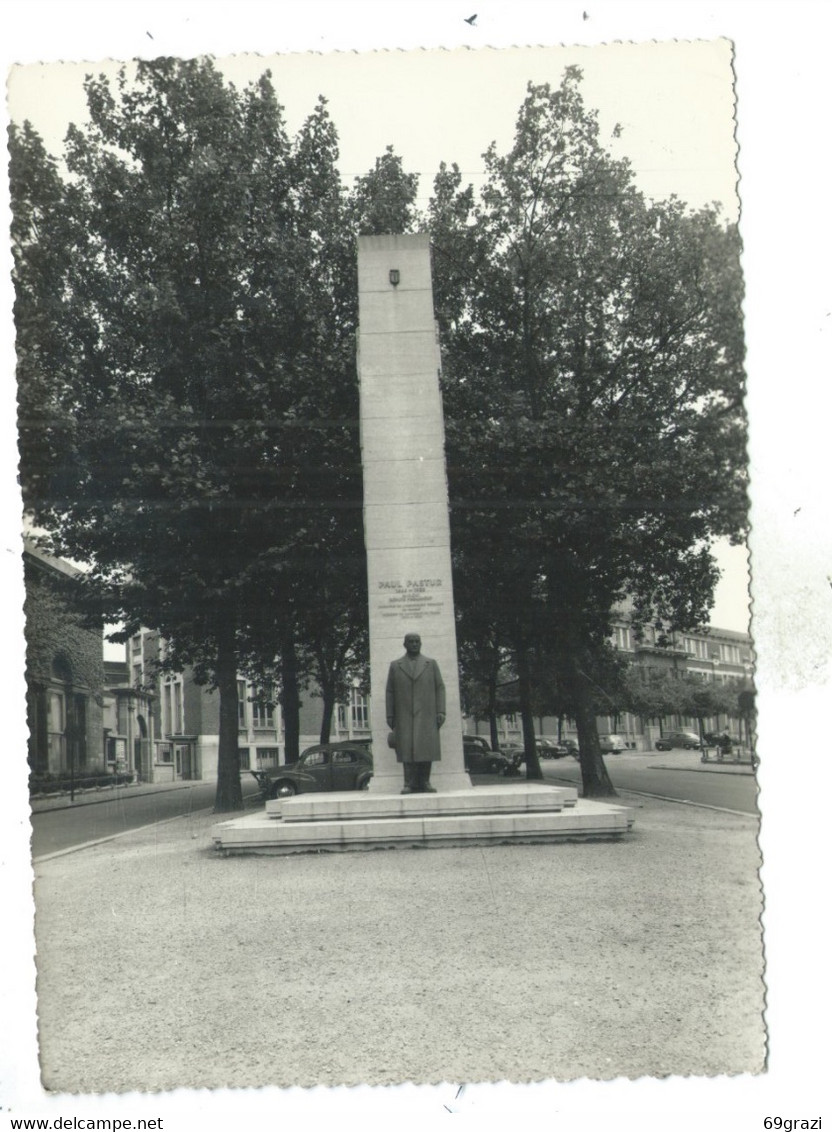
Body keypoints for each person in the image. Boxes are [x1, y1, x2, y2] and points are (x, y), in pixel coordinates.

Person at [385, 632, 446, 794]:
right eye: (411, 641)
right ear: (405, 644)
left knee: (426, 749)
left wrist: (441, 710)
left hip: (427, 714)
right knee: (406, 749)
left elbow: (440, 687)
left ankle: (425, 782)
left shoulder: (431, 664)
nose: (414, 644)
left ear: (421, 643)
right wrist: (390, 714)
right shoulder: (395, 665)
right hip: (404, 715)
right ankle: (408, 783)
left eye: (417, 641)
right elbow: (390, 691)